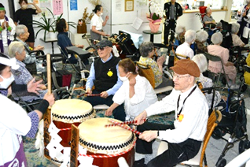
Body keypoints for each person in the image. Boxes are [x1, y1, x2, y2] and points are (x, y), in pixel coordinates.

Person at [132, 59, 209, 167]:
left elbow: (181, 135)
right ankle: (144, 158)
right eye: (174, 75)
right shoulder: (180, 89)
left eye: (178, 76)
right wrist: (145, 112)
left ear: (190, 79)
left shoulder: (197, 103)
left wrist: (155, 134)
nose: (173, 79)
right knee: (143, 126)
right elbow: (166, 103)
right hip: (178, 129)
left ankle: (149, 163)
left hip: (187, 144)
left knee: (152, 166)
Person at [0, 54, 55, 166]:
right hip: (7, 156)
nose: (11, 76)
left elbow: (5, 91)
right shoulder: (3, 106)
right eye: (9, 72)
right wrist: (45, 103)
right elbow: (29, 126)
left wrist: (26, 88)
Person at [84, 40, 126, 121]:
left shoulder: (118, 62)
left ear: (110, 49)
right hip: (98, 92)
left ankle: (124, 128)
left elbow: (120, 82)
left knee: (119, 110)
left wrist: (108, 92)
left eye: (102, 48)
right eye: (98, 48)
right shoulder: (95, 63)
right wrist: (88, 88)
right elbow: (91, 78)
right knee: (83, 106)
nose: (99, 50)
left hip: (113, 94)